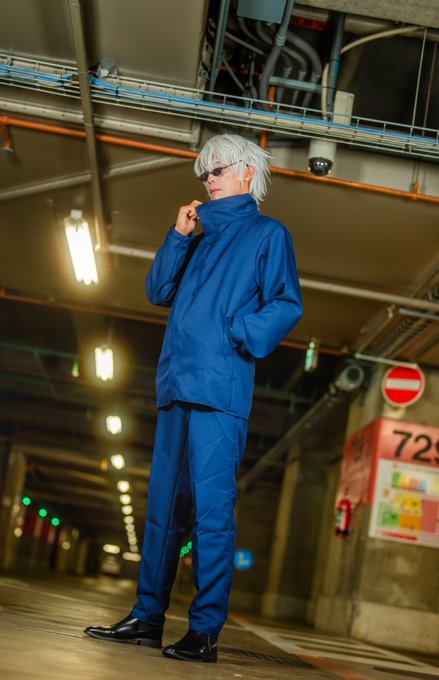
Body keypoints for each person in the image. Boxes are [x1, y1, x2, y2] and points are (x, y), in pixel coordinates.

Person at [84, 133, 303, 663]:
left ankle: (203, 631)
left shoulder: (268, 234)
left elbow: (286, 303)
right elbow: (158, 290)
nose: (209, 180)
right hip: (176, 387)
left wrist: (236, 332)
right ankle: (146, 618)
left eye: (218, 170)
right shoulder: (198, 239)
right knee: (162, 512)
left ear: (247, 172)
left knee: (211, 514)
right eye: (204, 172)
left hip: (219, 392)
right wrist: (178, 237)